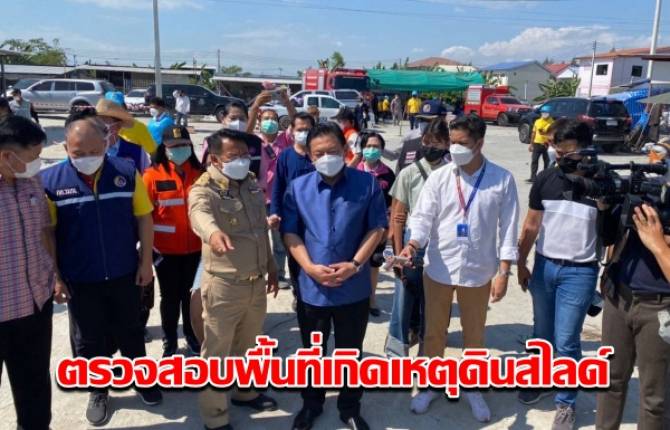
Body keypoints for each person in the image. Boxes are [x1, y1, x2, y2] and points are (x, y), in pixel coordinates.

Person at [41, 113, 161, 426]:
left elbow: (144, 217)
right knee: (90, 338)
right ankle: (99, 389)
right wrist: (56, 277)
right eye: (78, 152)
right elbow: (47, 232)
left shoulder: (126, 172)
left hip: (124, 272)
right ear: (65, 148)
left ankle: (142, 379)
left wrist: (145, 263)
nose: (87, 158)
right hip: (80, 277)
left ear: (107, 143)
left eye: (94, 151)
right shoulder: (50, 181)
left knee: (131, 330)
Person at [401, 114, 519, 422]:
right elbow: (423, 217)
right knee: (434, 332)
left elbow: (509, 228)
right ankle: (431, 385)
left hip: (479, 270)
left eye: (462, 143)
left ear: (479, 143)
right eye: (452, 142)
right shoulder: (440, 177)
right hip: (439, 266)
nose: (454, 149)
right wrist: (413, 243)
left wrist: (504, 272)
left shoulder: (501, 179)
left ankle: (472, 386)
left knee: (474, 334)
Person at [282, 123, 388, 430]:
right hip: (313, 288)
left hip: (353, 287)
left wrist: (355, 264)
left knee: (350, 350)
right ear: (310, 155)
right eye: (319, 153)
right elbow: (290, 232)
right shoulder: (298, 188)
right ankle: (311, 404)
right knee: (313, 350)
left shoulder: (367, 185)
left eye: (332, 151)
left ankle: (349, 407)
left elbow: (377, 228)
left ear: (345, 150)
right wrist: (309, 268)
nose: (326, 157)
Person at [188, 128, 279, 430]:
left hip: (256, 282)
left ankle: (244, 392)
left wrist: (271, 266)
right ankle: (215, 417)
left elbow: (258, 230)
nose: (241, 160)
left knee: (248, 344)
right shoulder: (204, 189)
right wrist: (213, 233)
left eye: (244, 154)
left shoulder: (251, 183)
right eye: (233, 156)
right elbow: (199, 215)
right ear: (215, 159)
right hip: (224, 286)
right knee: (216, 352)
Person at [516, 120, 601, 430]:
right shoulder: (546, 178)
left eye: (565, 150)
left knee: (566, 341)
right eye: (555, 148)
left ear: (585, 148)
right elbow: (531, 225)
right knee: (542, 334)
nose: (557, 154)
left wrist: (608, 274)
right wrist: (521, 262)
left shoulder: (602, 181)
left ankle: (566, 403)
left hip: (580, 272)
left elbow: (614, 233)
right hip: (544, 267)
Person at [596, 160, 670, 427]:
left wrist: (658, 244)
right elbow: (607, 237)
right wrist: (605, 208)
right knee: (610, 381)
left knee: (655, 398)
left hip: (660, 309)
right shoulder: (649, 192)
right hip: (619, 298)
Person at [0, 116, 56, 430]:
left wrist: (55, 276)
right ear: (7, 155)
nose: (37, 164)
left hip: (35, 304)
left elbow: (44, 231)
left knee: (34, 386)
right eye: (33, 156)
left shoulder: (31, 181)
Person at [385, 116, 450, 359]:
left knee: (433, 303)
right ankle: (396, 351)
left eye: (437, 142)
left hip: (442, 242)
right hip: (413, 242)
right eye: (427, 141)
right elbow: (398, 217)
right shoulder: (409, 173)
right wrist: (398, 255)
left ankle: (428, 353)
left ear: (447, 144)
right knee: (403, 298)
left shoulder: (452, 172)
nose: (430, 146)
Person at [143, 126, 203, 357]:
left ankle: (192, 337)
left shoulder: (200, 174)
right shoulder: (152, 175)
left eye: (184, 145)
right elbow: (144, 216)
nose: (179, 149)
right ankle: (169, 342)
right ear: (164, 148)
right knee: (169, 298)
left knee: (191, 297)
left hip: (196, 249)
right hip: (164, 251)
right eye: (174, 146)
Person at [248, 90, 298, 289]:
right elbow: (245, 132)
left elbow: (297, 123)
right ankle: (258, 273)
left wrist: (287, 103)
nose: (270, 122)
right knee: (256, 238)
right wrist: (255, 106)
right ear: (260, 122)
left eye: (273, 119)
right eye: (266, 118)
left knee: (279, 241)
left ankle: (279, 274)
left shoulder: (285, 140)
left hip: (278, 199)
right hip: (256, 198)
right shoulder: (254, 141)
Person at [269, 112, 317, 307]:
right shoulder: (286, 156)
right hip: (292, 219)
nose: (304, 133)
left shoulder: (319, 156)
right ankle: (299, 294)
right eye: (300, 129)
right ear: (292, 131)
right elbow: (278, 187)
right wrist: (275, 212)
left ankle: (314, 292)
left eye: (308, 129)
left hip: (316, 219)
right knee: (295, 259)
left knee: (316, 257)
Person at [356, 132, 396, 317]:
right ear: (362, 148)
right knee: (356, 264)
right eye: (368, 146)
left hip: (378, 229)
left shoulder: (388, 174)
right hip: (356, 228)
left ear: (382, 149)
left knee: (373, 265)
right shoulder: (354, 171)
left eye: (376, 147)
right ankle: (355, 299)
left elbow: (393, 204)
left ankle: (372, 299)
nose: (372, 150)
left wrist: (387, 229)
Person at [200, 101, 262, 176]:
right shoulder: (213, 142)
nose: (238, 122)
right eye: (233, 118)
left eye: (242, 119)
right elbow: (208, 169)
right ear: (223, 119)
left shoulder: (256, 142)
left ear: (247, 120)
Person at [96, 99, 152, 173]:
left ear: (118, 126)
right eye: (97, 122)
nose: (99, 126)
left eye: (104, 121)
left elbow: (146, 176)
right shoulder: (88, 150)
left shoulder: (137, 151)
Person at [395, 99, 448, 174]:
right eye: (422, 119)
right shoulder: (409, 137)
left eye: (431, 121)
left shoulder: (449, 142)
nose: (425, 123)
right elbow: (398, 163)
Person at [528, 105, 554, 182]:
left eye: (546, 112)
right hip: (537, 143)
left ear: (549, 113)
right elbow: (533, 133)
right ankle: (533, 177)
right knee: (534, 160)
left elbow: (553, 135)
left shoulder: (552, 123)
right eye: (543, 112)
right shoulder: (537, 121)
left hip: (547, 144)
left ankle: (545, 177)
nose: (544, 114)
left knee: (547, 162)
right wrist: (531, 144)